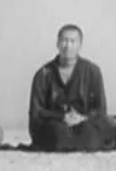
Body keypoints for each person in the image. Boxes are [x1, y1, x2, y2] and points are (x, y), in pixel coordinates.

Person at [28, 24, 116, 152]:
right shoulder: (43, 74)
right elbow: (36, 111)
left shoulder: (92, 71)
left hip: (85, 123)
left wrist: (82, 118)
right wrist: (62, 117)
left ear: (80, 45)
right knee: (58, 132)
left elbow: (100, 109)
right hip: (55, 124)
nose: (68, 46)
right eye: (64, 40)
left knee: (92, 131)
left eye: (73, 41)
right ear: (57, 43)